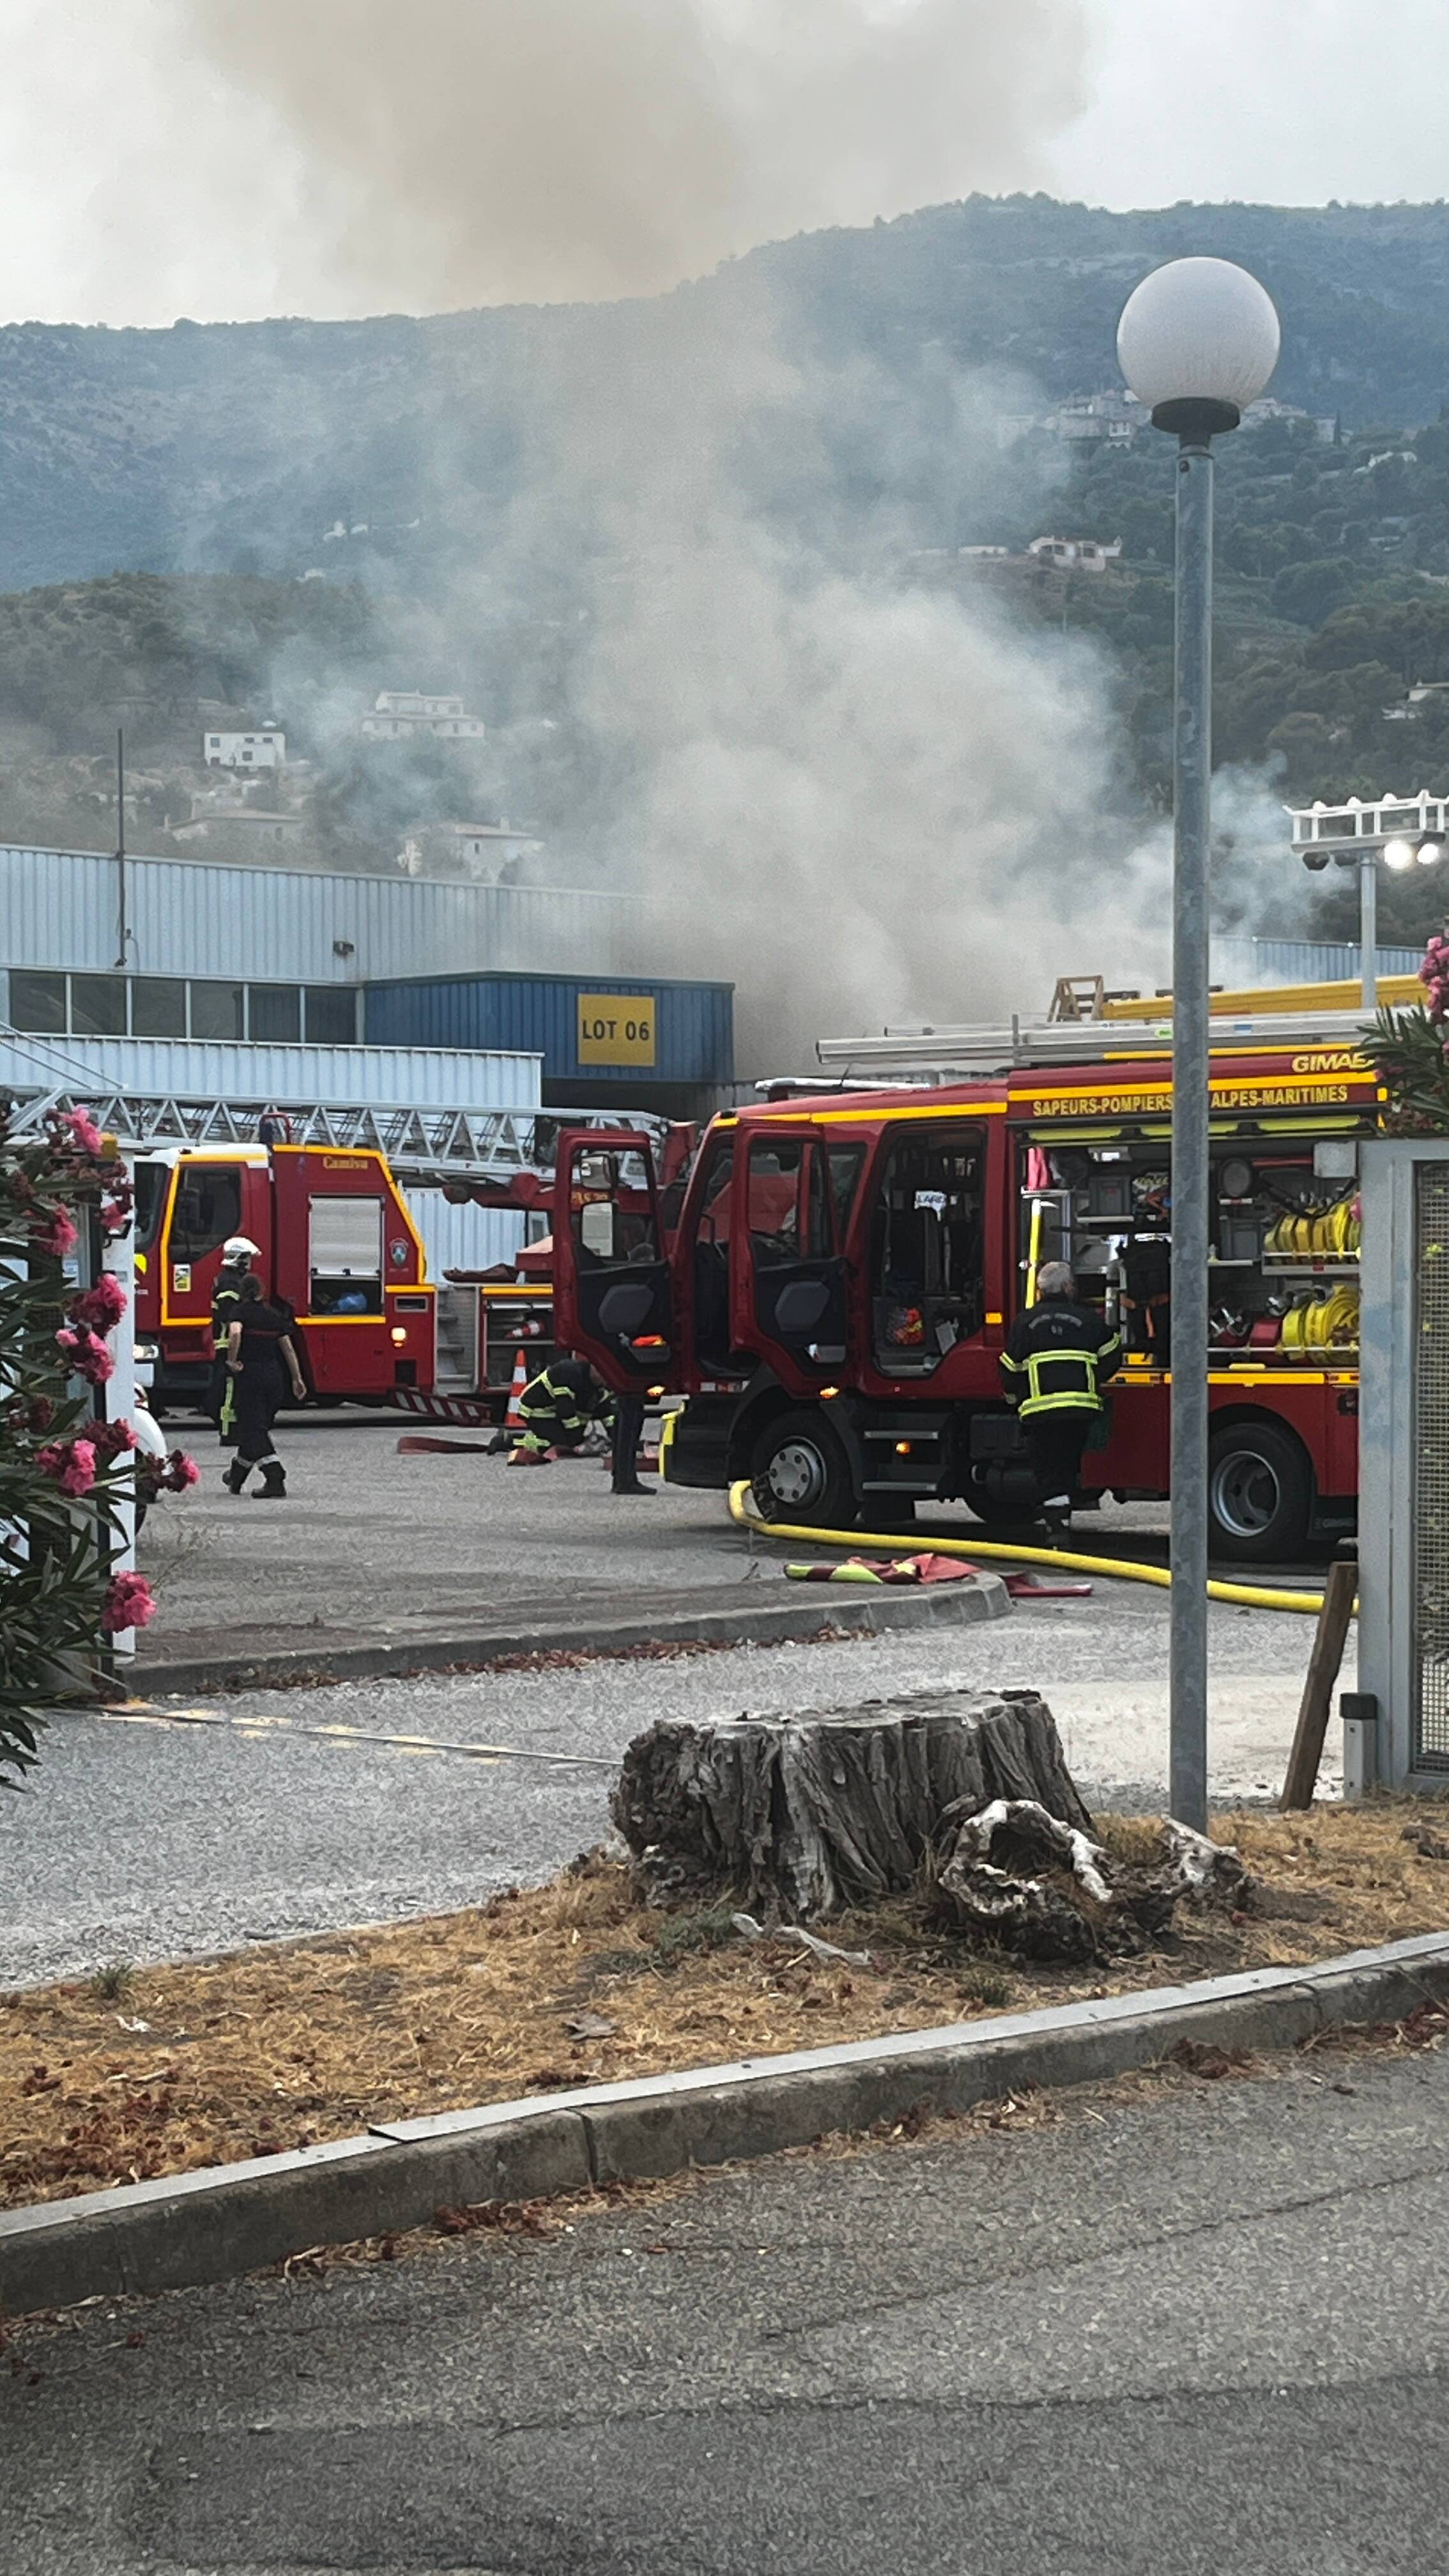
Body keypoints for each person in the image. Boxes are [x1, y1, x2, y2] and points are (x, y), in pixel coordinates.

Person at [999, 1261, 1121, 1533]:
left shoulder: (1024, 1323)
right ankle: (1061, 1521)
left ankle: (1058, 1531)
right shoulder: (1089, 1320)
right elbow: (1113, 1356)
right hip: (1080, 1410)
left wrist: (1014, 1399)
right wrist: (1092, 1377)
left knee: (1048, 1472)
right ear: (1067, 1287)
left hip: (1039, 1413)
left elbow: (1010, 1368)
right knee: (1067, 1467)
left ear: (1040, 1290)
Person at [222, 1275, 306, 1498]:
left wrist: (232, 1359)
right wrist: (297, 1379)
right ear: (262, 1291)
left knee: (254, 1428)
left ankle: (274, 1476)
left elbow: (235, 1333)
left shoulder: (240, 1312)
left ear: (242, 1292)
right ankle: (236, 1475)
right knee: (255, 1427)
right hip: (274, 1377)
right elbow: (288, 1349)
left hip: (251, 1376)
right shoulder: (273, 1315)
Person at [509, 1356, 610, 1464]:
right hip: (537, 1410)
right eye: (602, 1373)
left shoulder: (602, 1387)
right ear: (593, 1367)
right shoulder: (568, 1372)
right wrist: (575, 1438)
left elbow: (608, 1415)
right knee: (557, 1444)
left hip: (555, 1413)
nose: (605, 1379)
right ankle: (512, 1441)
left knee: (571, 1442)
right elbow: (565, 1409)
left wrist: (618, 1440)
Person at [209, 1236, 261, 1445]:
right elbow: (230, 1318)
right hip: (228, 1344)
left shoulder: (227, 1280)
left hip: (228, 1343)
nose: (249, 1263)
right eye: (246, 1258)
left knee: (232, 1389)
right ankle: (228, 1433)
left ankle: (233, 1430)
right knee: (230, 1391)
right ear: (237, 1259)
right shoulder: (229, 1284)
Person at [610, 1390, 650, 1496]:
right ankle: (625, 1480)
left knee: (627, 1413)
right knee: (630, 1418)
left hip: (627, 1383)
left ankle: (622, 1478)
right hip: (632, 1382)